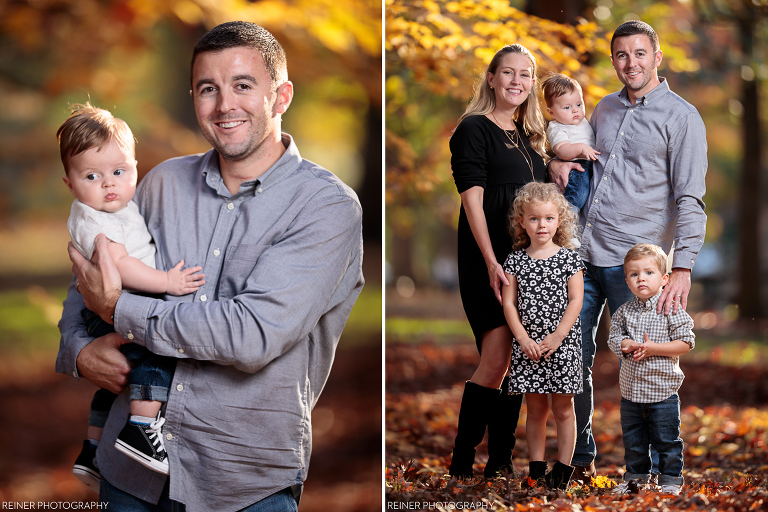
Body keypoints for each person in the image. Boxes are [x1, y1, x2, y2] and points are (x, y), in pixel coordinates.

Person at [56, 21, 364, 512]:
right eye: (208, 89)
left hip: (243, 482)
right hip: (129, 477)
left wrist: (119, 309)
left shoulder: (326, 207)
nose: (224, 105)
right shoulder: (161, 184)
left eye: (243, 85)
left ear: (281, 96)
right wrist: (78, 350)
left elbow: (252, 335)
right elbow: (88, 278)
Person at [547, 20, 707, 482]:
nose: (630, 63)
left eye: (639, 53)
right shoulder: (602, 108)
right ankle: (579, 461)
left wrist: (682, 266)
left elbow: (690, 199)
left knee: (649, 364)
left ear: (657, 57)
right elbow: (581, 160)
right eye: (621, 55)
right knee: (570, 359)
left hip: (634, 267)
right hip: (581, 255)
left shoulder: (682, 118)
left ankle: (658, 472)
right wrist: (557, 160)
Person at [58, 103, 206, 487]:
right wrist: (167, 283)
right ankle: (142, 427)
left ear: (135, 169)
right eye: (92, 175)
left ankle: (93, 448)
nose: (109, 184)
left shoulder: (120, 207)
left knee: (117, 382)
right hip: (118, 305)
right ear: (70, 183)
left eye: (119, 172)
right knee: (158, 352)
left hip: (117, 304)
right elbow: (119, 265)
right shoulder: (92, 218)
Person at [448, 43, 548, 478]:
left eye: (525, 75)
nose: (516, 81)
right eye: (508, 73)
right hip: (488, 253)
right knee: (495, 358)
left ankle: (501, 461)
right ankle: (462, 459)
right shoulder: (474, 128)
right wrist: (491, 261)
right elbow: (472, 199)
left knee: (518, 362)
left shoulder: (530, 138)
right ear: (491, 78)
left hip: (529, 260)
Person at [501, 182, 584, 490]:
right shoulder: (515, 261)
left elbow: (576, 300)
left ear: (559, 220)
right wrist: (523, 339)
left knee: (563, 409)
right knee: (535, 410)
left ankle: (562, 471)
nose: (541, 225)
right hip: (530, 347)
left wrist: (558, 337)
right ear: (522, 221)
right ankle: (536, 469)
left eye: (548, 218)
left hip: (561, 346)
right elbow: (509, 303)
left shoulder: (569, 258)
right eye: (534, 218)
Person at [607, 243, 694, 496]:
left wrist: (654, 348)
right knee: (634, 441)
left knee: (667, 440)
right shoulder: (624, 312)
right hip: (631, 394)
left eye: (648, 272)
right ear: (626, 280)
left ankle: (670, 480)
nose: (641, 278)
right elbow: (613, 338)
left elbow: (686, 342)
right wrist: (625, 344)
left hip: (662, 393)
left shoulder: (672, 308)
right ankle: (635, 479)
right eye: (634, 274)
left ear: (664, 278)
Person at [540, 73, 599, 211]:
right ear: (552, 112)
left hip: (591, 165)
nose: (575, 110)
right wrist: (581, 148)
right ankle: (567, 217)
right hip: (577, 166)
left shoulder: (582, 121)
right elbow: (562, 150)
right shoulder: (557, 127)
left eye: (579, 104)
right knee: (577, 196)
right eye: (567, 107)